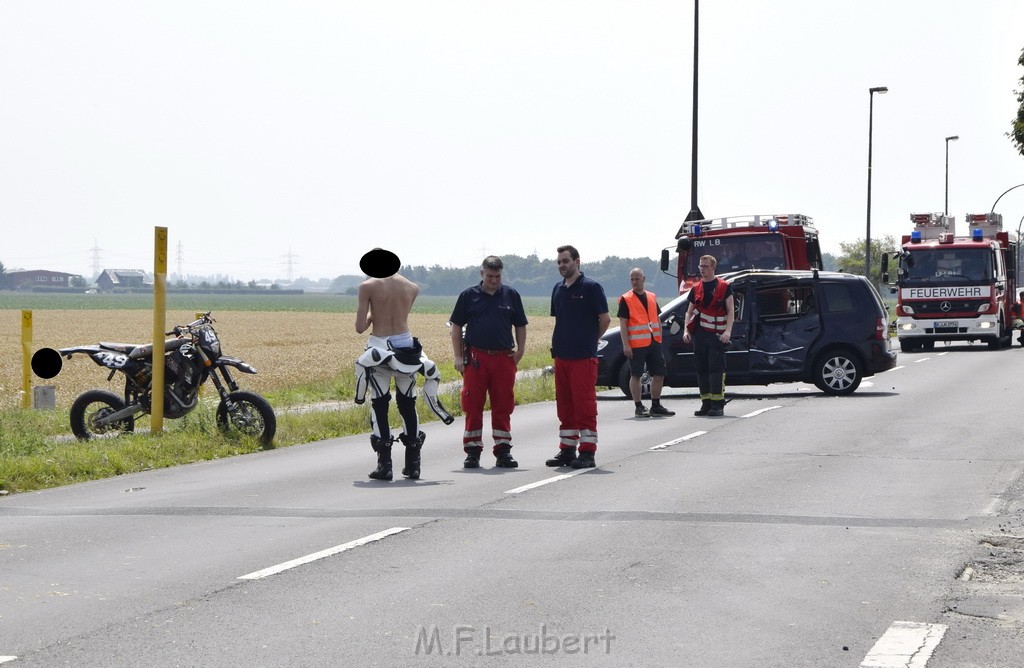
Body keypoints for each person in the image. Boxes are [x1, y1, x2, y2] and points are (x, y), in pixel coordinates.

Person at [354, 248, 453, 482]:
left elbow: (360, 327)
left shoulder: (366, 287)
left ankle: (385, 465)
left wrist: (371, 315)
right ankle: (413, 465)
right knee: (408, 403)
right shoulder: (412, 287)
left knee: (379, 403)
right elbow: (402, 315)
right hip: (407, 348)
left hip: (380, 346)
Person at [449, 256, 529, 469]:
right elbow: (456, 326)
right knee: (473, 404)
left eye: (498, 276)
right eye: (490, 276)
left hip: (504, 358)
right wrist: (458, 357)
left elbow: (520, 325)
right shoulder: (468, 296)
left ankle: (503, 450)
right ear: (481, 274)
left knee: (503, 404)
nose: (494, 280)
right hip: (476, 358)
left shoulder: (511, 295)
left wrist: (520, 351)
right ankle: (472, 451)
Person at [545, 245, 611, 469]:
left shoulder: (591, 287)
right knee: (565, 406)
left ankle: (587, 452)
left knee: (584, 405)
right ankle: (567, 450)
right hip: (562, 356)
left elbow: (605, 319)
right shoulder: (557, 289)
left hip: (583, 357)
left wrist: (591, 340)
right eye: (559, 262)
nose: (562, 265)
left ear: (577, 262)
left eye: (566, 261)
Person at [682, 254, 735, 417]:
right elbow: (689, 311)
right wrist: (686, 330)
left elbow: (731, 310)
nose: (702, 269)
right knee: (701, 369)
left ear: (713, 268)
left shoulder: (724, 286)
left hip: (717, 336)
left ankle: (717, 404)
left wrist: (727, 331)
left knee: (716, 369)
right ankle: (706, 403)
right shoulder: (696, 288)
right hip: (699, 335)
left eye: (705, 266)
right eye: (700, 266)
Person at [617, 268, 675, 418]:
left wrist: (659, 338)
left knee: (660, 373)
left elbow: (657, 319)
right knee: (636, 374)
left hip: (654, 342)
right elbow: (623, 323)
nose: (634, 282)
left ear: (644, 278)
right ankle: (638, 406)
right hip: (636, 344)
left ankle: (656, 405)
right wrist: (626, 344)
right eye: (632, 279)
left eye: (637, 278)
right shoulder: (626, 299)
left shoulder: (651, 296)